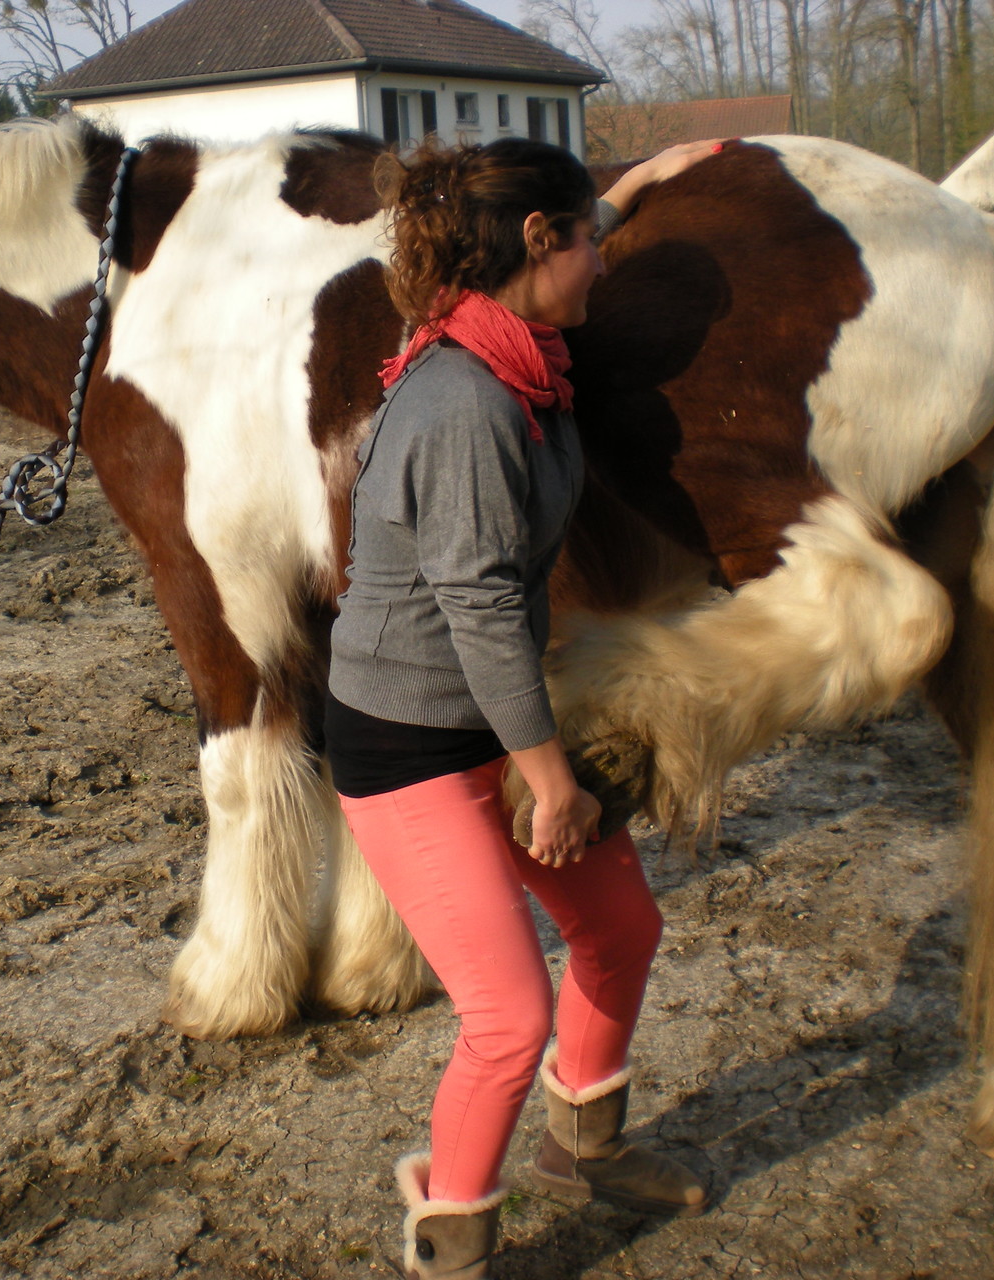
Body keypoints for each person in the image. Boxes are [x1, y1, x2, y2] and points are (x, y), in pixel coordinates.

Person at [326, 136, 722, 1280]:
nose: (604, 260)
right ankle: (448, 1233)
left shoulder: (510, 348)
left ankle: (582, 1147)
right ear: (535, 244)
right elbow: (482, 609)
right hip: (407, 745)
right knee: (506, 1018)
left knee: (621, 929)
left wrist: (638, 185)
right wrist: (549, 780)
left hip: (491, 715)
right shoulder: (466, 400)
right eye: (589, 241)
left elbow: (567, 218)